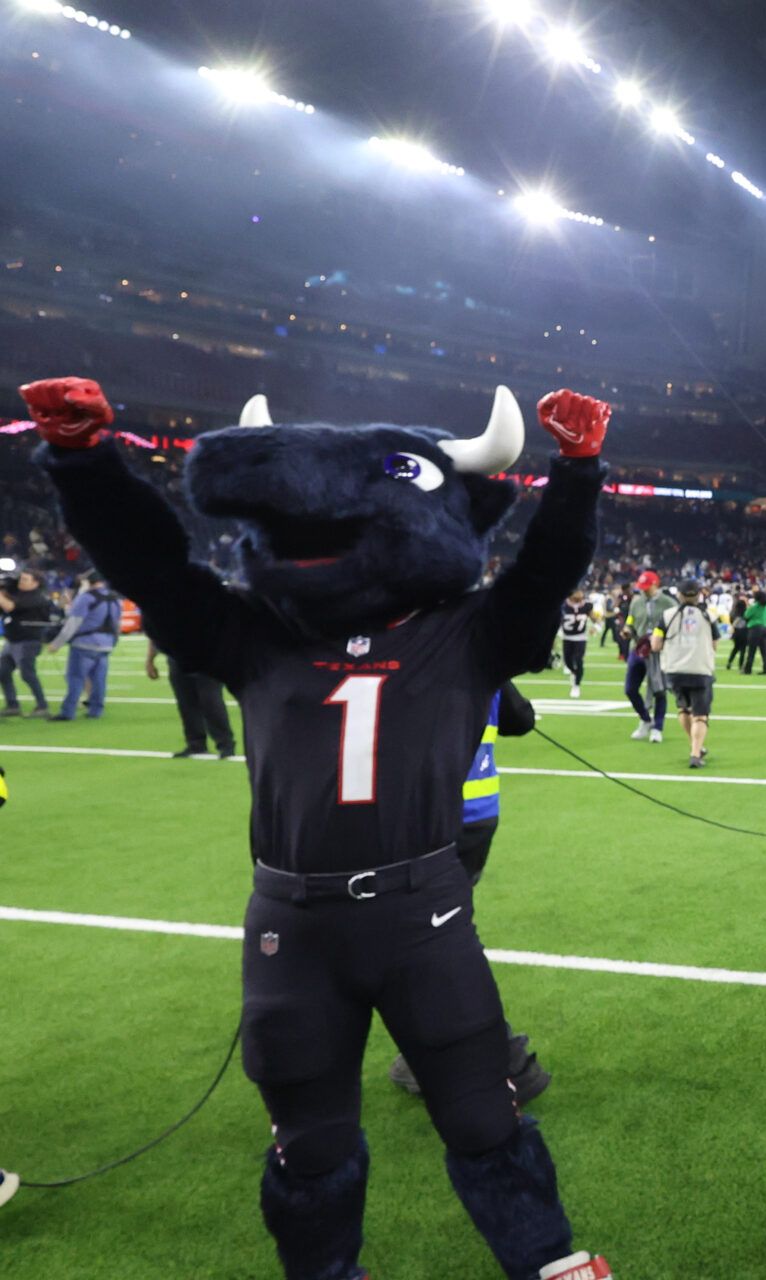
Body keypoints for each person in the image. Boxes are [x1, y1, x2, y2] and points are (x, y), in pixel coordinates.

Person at [22, 375, 614, 1280]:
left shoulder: (467, 632)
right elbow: (151, 568)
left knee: (485, 1121)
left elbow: (546, 571)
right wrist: (82, 463)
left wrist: (579, 473)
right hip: (294, 926)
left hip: (423, 913)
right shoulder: (257, 631)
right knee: (312, 1146)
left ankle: (544, 1261)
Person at [392, 681, 551, 1104]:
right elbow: (523, 718)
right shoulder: (477, 650)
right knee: (430, 936)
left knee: (433, 944)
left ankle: (506, 1061)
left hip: (436, 822)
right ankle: (423, 1053)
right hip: (478, 817)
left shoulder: (425, 655)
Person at [657, 579, 719, 768]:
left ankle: (695, 746)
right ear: (699, 594)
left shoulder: (667, 615)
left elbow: (655, 643)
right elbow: (715, 643)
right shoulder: (709, 615)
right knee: (700, 715)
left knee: (683, 709)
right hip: (700, 669)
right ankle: (695, 753)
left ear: (679, 595)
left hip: (675, 669)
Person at [45, 570, 121, 721]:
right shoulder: (114, 598)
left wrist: (56, 644)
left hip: (84, 644)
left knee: (75, 678)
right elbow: (116, 624)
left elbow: (73, 623)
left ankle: (68, 712)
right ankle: (96, 710)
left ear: (88, 582)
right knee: (99, 680)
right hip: (106, 643)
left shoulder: (86, 598)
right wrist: (113, 642)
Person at [147, 635, 236, 759]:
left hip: (208, 655)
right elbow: (154, 631)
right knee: (185, 703)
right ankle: (196, 744)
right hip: (177, 657)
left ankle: (226, 744)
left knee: (210, 701)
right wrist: (150, 659)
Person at [0, 568, 56, 718]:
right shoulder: (19, 593)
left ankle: (42, 706)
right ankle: (12, 705)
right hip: (12, 641)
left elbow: (11, 607)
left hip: (28, 641)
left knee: (27, 674)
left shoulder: (38, 597)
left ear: (35, 583)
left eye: (25, 580)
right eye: (21, 579)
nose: (21, 582)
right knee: (2, 672)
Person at [624, 572, 672, 742]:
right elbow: (630, 621)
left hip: (658, 652)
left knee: (659, 690)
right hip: (638, 649)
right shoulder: (636, 602)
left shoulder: (668, 603)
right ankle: (645, 719)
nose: (644, 591)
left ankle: (657, 727)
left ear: (655, 584)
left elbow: (674, 625)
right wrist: (627, 630)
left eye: (647, 587)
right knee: (630, 689)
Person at [558, 588, 591, 698]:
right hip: (567, 637)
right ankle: (573, 672)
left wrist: (596, 626)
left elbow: (594, 617)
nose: (580, 595)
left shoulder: (587, 606)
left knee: (579, 660)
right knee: (567, 661)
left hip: (580, 638)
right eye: (577, 592)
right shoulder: (564, 605)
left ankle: (576, 685)